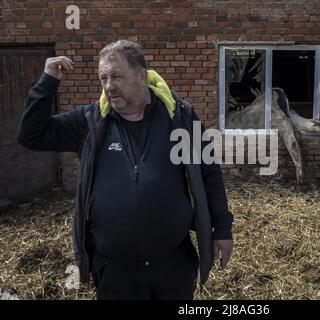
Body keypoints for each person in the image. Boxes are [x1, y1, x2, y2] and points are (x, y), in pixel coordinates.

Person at [17, 40, 234, 300]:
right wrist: (47, 83)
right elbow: (31, 135)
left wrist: (222, 229)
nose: (109, 86)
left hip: (173, 266)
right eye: (103, 78)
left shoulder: (180, 118)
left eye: (117, 77)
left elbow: (210, 173)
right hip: (115, 271)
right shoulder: (91, 122)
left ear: (141, 76)